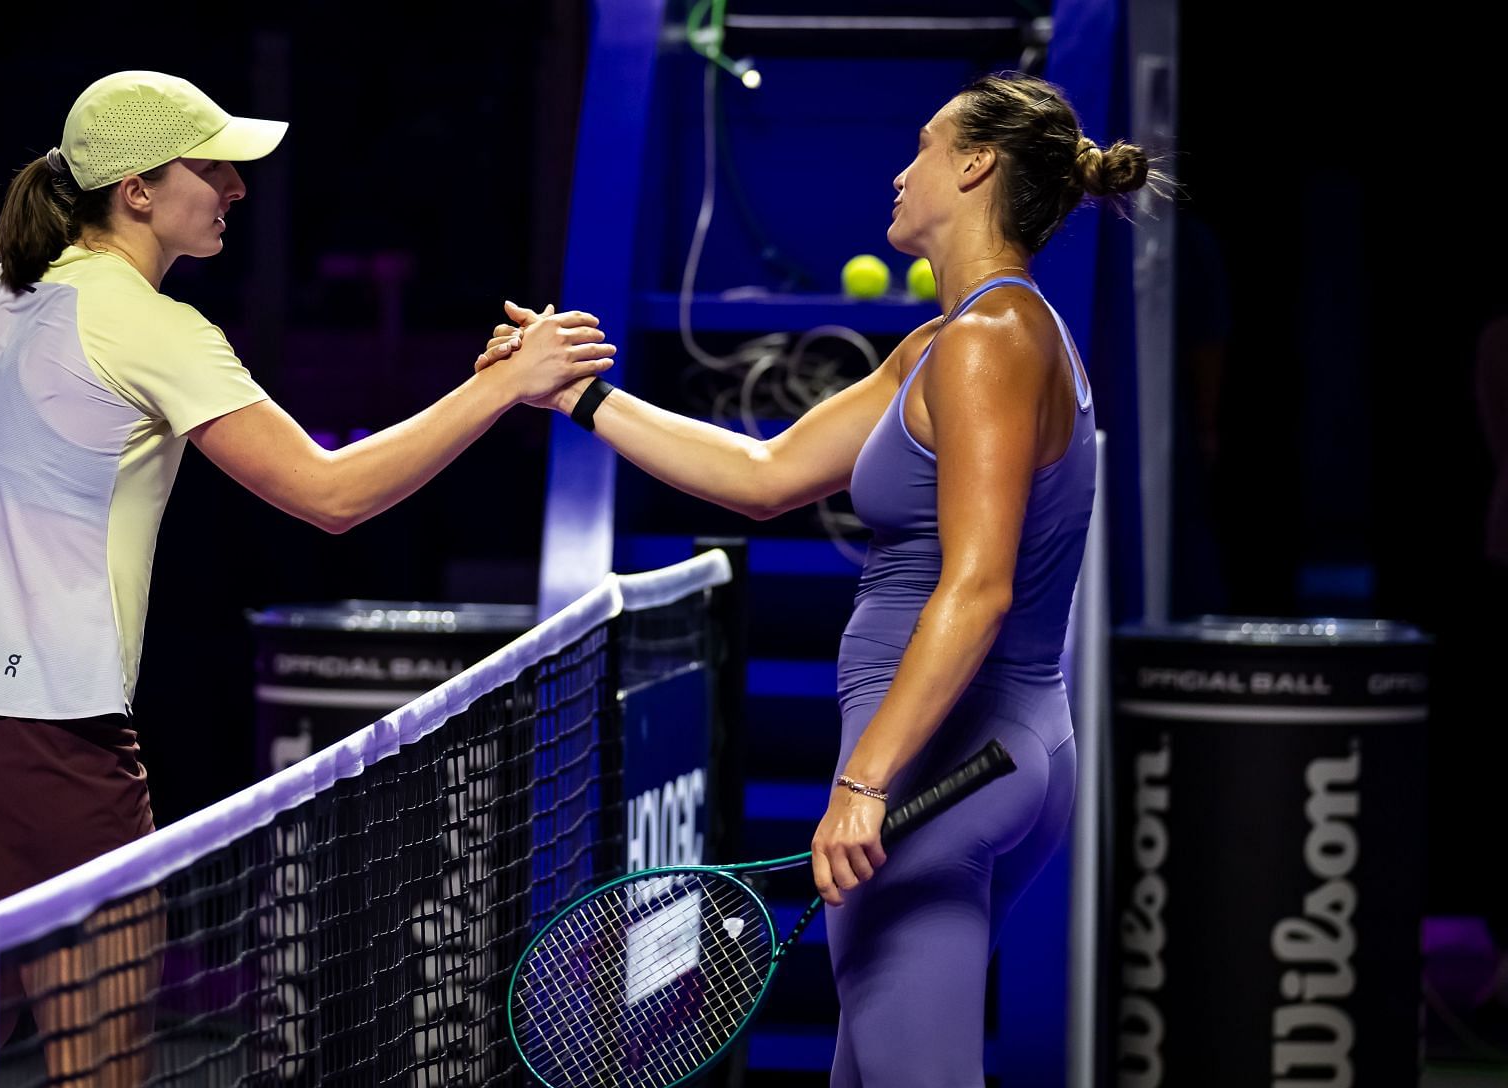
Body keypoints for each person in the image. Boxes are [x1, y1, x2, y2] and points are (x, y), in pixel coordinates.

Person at [0, 70, 613, 1084]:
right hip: (45, 741)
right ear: (138, 191)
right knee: (102, 1059)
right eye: (213, 168)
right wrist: (510, 388)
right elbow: (331, 495)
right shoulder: (154, 328)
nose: (237, 190)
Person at [480, 72, 1163, 1085]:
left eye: (924, 145)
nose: (899, 171)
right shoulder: (954, 342)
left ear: (976, 164)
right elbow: (762, 475)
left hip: (942, 768)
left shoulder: (985, 344)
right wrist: (581, 396)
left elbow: (977, 588)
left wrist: (865, 778)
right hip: (987, 755)